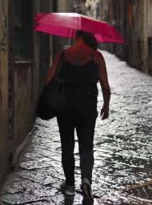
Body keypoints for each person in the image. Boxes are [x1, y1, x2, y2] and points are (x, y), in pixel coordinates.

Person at [45, 30, 111, 198]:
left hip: (65, 107)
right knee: (86, 145)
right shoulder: (96, 56)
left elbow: (48, 79)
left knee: (67, 145)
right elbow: (105, 86)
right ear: (90, 38)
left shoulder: (63, 54)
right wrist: (106, 105)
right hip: (87, 108)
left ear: (76, 37)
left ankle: (69, 185)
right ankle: (86, 180)